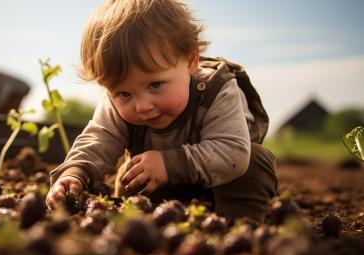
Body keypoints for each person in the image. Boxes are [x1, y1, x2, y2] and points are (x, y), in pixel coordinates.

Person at [45, 0, 277, 222]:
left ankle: (238, 226)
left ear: (191, 61)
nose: (142, 106)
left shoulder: (218, 91)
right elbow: (98, 139)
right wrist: (74, 173)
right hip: (159, 193)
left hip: (220, 188)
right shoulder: (118, 99)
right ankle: (141, 222)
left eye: (155, 85)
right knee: (130, 175)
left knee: (255, 162)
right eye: (124, 94)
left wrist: (170, 164)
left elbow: (232, 153)